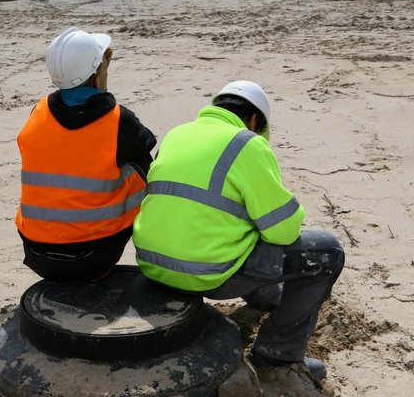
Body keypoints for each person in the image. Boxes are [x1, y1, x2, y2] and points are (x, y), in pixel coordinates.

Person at [133, 80, 345, 380]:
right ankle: (278, 354)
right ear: (255, 119)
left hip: (152, 266)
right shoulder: (248, 143)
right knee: (327, 251)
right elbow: (284, 231)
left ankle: (265, 298)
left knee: (235, 225)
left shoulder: (177, 134)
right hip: (205, 274)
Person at [16, 26, 156, 282]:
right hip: (93, 257)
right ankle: (159, 253)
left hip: (37, 253)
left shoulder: (37, 113)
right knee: (146, 168)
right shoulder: (118, 120)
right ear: (97, 73)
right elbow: (145, 146)